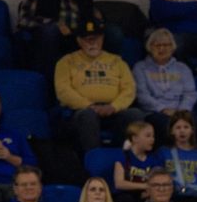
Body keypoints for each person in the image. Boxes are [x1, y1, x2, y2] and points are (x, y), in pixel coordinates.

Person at [55, 17, 144, 156]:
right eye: (87, 39)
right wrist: (89, 105)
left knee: (135, 115)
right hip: (83, 111)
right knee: (87, 116)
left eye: (95, 38)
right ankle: (94, 160)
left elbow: (129, 88)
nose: (92, 42)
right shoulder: (66, 61)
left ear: (102, 38)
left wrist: (114, 106)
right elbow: (63, 91)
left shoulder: (117, 61)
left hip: (114, 110)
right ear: (78, 40)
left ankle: (124, 158)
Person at [132, 28, 197, 141]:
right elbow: (142, 95)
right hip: (154, 112)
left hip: (180, 110)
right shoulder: (140, 68)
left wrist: (182, 112)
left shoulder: (182, 68)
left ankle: (196, 156)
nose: (162, 49)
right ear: (149, 47)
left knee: (195, 122)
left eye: (166, 45)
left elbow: (190, 93)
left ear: (172, 47)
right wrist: (163, 109)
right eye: (157, 45)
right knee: (165, 124)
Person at [158, 110, 197, 202]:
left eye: (186, 127)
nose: (182, 131)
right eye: (178, 127)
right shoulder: (164, 152)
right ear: (171, 131)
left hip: (196, 197)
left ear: (192, 130)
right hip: (173, 196)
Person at [113, 120, 158, 202]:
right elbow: (119, 183)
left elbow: (155, 182)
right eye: (148, 136)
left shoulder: (154, 160)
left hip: (145, 195)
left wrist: (149, 190)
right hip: (126, 196)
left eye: (153, 136)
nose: (152, 139)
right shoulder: (123, 156)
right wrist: (145, 186)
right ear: (134, 138)